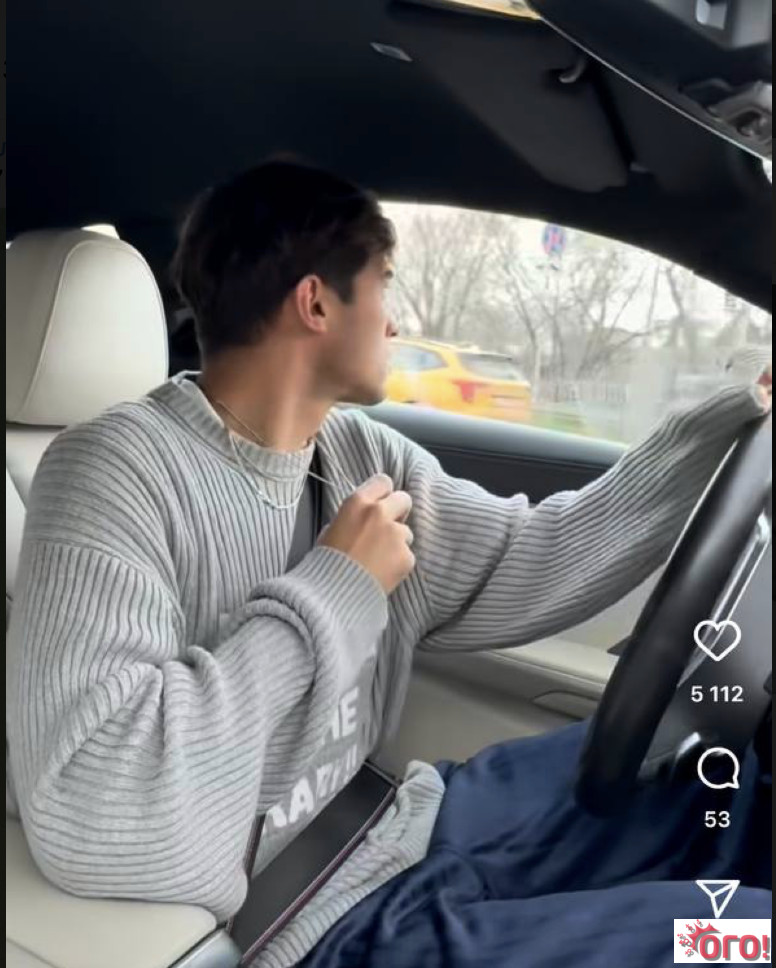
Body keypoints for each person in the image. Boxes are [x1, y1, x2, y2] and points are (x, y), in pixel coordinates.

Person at [6, 161, 771, 968]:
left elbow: (539, 556)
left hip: (399, 821)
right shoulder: (112, 474)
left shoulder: (355, 452)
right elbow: (97, 800)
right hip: (309, 925)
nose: (397, 323)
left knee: (718, 783)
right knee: (743, 938)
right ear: (316, 303)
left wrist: (728, 421)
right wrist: (337, 586)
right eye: (384, 287)